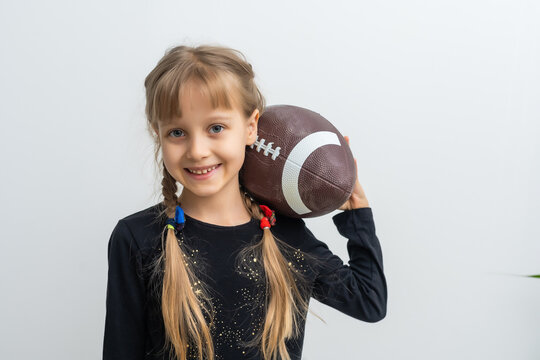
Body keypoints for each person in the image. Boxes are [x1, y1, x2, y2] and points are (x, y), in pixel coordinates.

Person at [103, 44, 387, 360]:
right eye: (177, 132)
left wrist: (357, 209)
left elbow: (369, 300)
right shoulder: (138, 238)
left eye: (216, 128)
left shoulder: (285, 236)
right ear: (158, 133)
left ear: (251, 127)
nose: (197, 150)